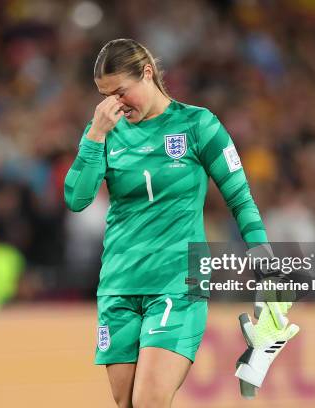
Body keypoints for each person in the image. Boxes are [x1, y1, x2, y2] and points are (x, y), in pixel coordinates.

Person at [64, 38, 295, 407]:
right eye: (105, 96)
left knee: (150, 401)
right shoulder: (105, 132)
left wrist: (266, 265)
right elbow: (76, 199)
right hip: (119, 285)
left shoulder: (197, 124)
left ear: (148, 73)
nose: (114, 105)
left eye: (121, 92)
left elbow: (240, 197)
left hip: (176, 283)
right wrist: (95, 134)